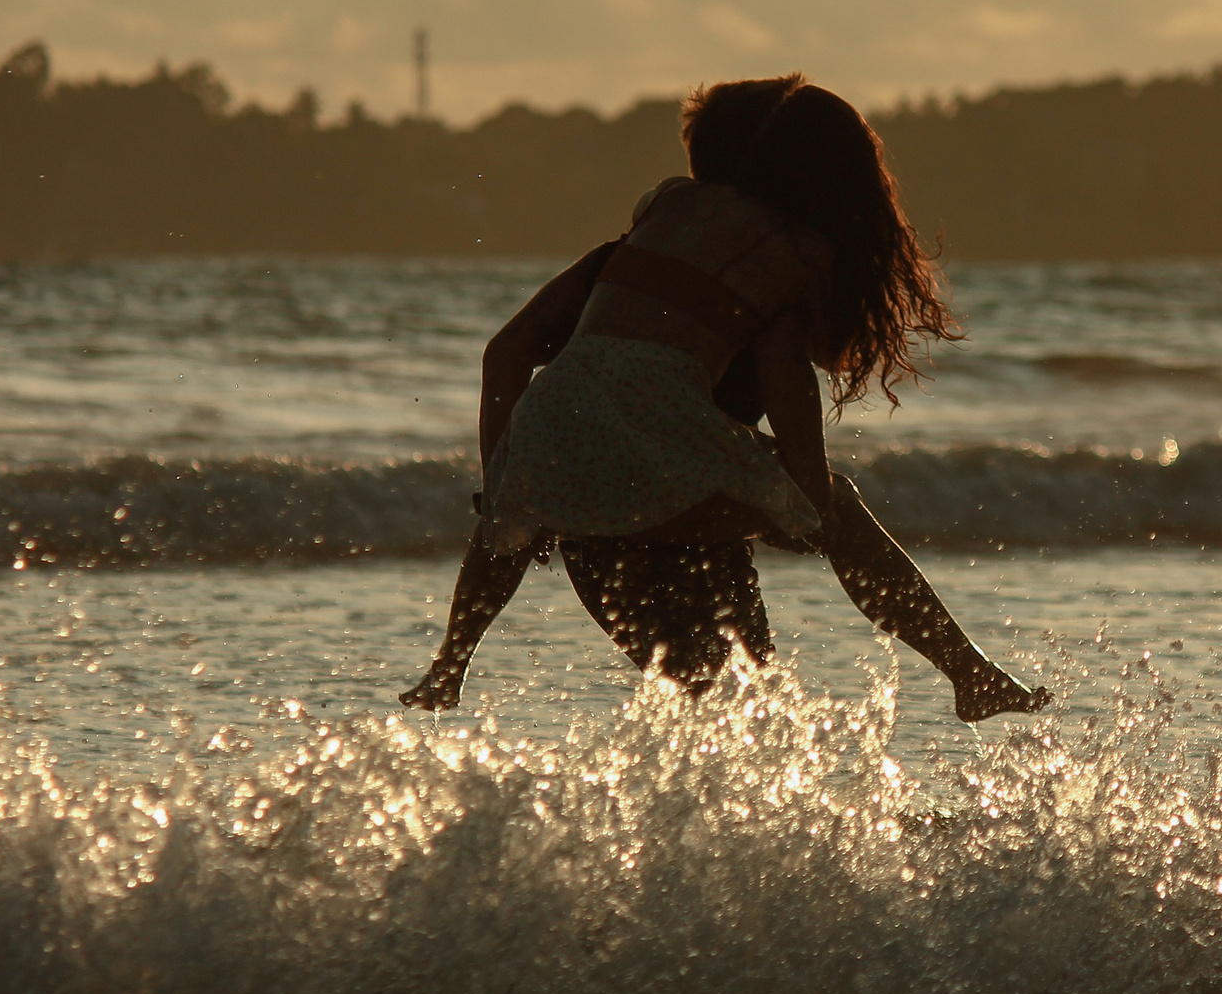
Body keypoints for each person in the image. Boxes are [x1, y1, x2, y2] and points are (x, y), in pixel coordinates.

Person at [401, 75, 1048, 722]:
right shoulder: (783, 253)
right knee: (836, 516)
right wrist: (807, 499)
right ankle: (968, 672)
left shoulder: (647, 233)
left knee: (714, 688)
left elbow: (505, 353)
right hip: (663, 456)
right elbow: (787, 377)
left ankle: (449, 666)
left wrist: (508, 491)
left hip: (564, 457)